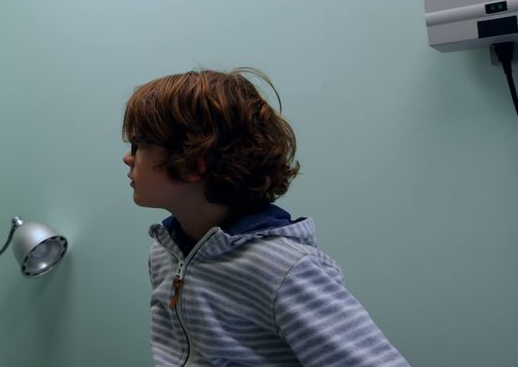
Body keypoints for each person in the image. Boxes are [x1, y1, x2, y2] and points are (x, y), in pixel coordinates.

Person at [122, 68, 408, 366]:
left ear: (194, 164)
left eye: (139, 145)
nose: (128, 157)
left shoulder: (282, 269)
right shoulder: (164, 254)